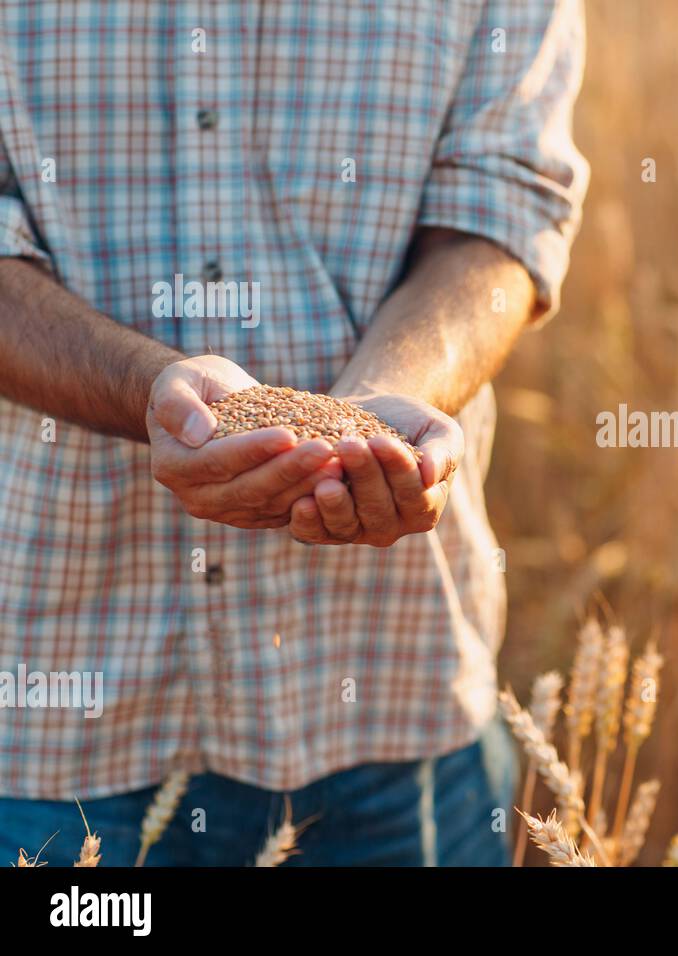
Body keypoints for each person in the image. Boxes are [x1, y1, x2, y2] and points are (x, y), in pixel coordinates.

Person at [0, 0, 588, 866]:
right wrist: (143, 390)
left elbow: (505, 206)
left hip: (392, 684)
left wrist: (384, 401)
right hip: (54, 710)